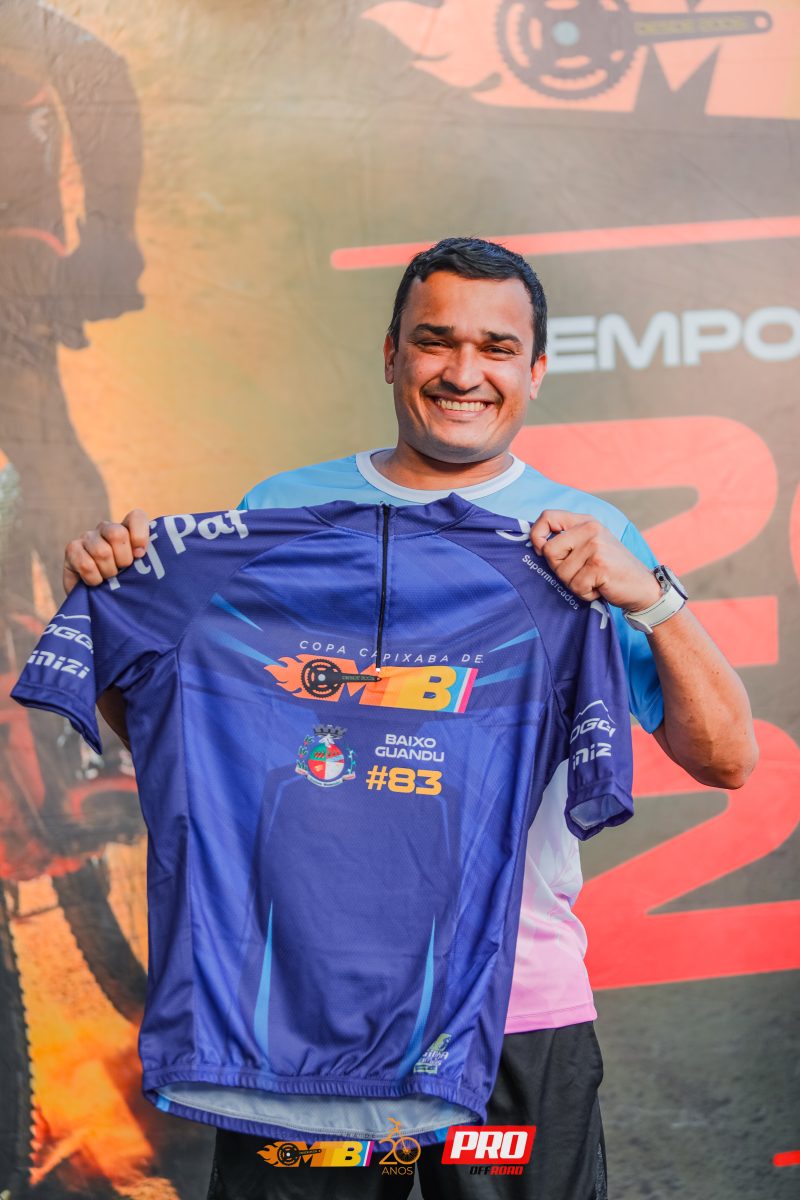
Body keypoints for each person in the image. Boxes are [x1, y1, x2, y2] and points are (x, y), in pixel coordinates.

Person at [61, 238, 758, 1200]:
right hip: (302, 1019)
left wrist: (651, 597)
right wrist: (114, 600)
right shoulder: (277, 513)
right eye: (437, 342)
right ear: (392, 354)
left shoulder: (587, 539)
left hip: (513, 1017)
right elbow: (190, 739)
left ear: (536, 370)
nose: (464, 372)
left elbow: (728, 757)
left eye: (497, 348)